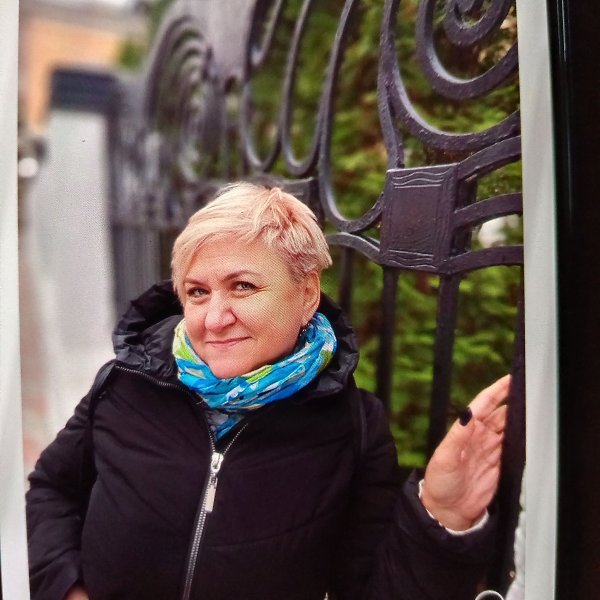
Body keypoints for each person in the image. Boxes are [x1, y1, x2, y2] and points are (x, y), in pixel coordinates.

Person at [26, 182, 509, 600]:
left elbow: (374, 589)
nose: (215, 319)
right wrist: (66, 589)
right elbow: (51, 489)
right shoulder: (129, 381)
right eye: (197, 292)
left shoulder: (353, 429)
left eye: (242, 286)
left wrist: (441, 517)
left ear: (307, 293)